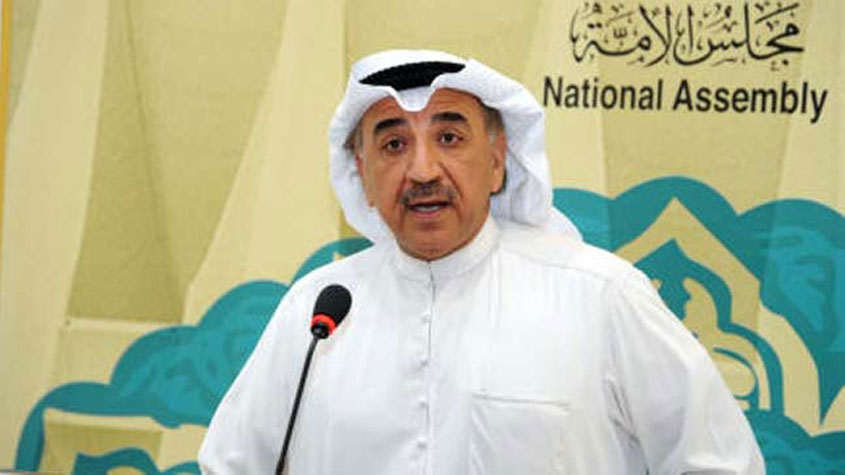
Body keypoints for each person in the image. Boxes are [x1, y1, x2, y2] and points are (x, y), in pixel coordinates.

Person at [198, 49, 763, 474]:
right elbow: (230, 465)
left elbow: (719, 463)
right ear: (362, 175)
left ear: (497, 162)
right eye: (393, 145)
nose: (423, 171)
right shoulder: (316, 311)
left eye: (449, 137)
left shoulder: (600, 296)